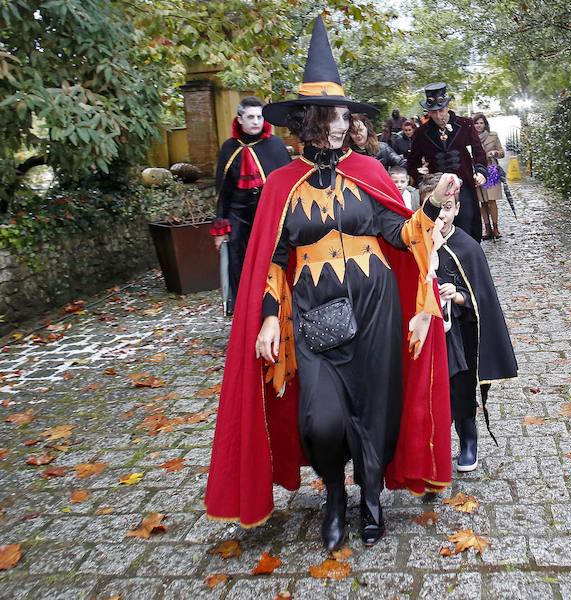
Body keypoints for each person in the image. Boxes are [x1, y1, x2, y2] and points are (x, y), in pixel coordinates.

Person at [205, 16, 453, 553]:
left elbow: (401, 231)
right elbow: (271, 255)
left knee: (376, 408)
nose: (340, 126)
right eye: (330, 116)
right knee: (319, 418)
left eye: (344, 116)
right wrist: (269, 315)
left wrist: (430, 207)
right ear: (307, 121)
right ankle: (334, 493)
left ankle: (369, 497)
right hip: (314, 309)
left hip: (376, 306)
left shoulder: (368, 170)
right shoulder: (281, 184)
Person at [421, 173, 517, 472]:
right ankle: (430, 448)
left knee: (461, 390)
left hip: (459, 337)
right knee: (428, 393)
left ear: (458, 208)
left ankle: (468, 440)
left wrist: (459, 295)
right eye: (436, 207)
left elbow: (481, 296)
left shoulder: (467, 247)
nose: (442, 215)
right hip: (425, 334)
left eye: (448, 208)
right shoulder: (416, 243)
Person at [211, 96, 291, 314]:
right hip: (237, 210)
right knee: (238, 261)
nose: (256, 121)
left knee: (269, 257)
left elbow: (287, 185)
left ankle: (272, 308)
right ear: (240, 119)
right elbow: (223, 191)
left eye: (260, 117)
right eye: (251, 117)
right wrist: (220, 227)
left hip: (265, 209)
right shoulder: (229, 147)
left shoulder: (274, 145)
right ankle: (242, 310)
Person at [407, 83, 488, 242]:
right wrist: (422, 183)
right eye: (433, 112)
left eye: (441, 110)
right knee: (440, 230)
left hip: (464, 187)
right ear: (428, 112)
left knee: (468, 228)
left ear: (447, 106)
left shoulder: (466, 124)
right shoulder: (421, 133)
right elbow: (412, 162)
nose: (438, 116)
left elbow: (478, 151)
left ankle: (469, 261)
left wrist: (481, 171)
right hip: (437, 190)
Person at [472, 113, 505, 239]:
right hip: (477, 171)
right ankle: (487, 229)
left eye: (481, 123)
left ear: (485, 124)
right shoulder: (470, 137)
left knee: (492, 200)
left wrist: (495, 152)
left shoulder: (493, 135)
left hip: (491, 169)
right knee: (483, 202)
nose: (479, 125)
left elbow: (502, 152)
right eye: (476, 123)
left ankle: (496, 228)